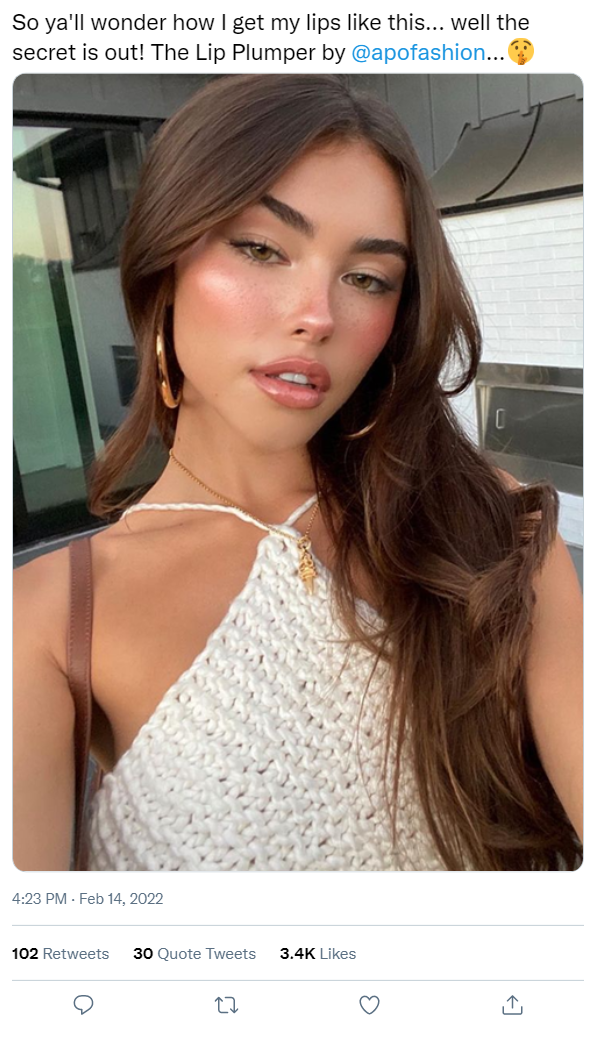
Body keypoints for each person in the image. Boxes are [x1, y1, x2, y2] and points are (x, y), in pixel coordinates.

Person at [13, 74, 582, 872]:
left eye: (367, 277)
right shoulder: (48, 617)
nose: (318, 314)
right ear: (164, 265)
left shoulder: (487, 522)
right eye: (260, 248)